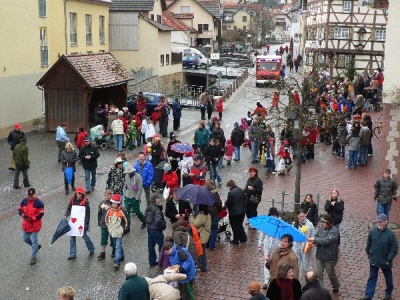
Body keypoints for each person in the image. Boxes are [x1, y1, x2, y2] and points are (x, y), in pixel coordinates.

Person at [362, 213, 398, 300]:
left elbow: (394, 249)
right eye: (378, 221)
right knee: (372, 277)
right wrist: (369, 253)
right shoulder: (372, 231)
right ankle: (368, 295)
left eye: (381, 222)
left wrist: (388, 259)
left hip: (385, 262)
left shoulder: (390, 235)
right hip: (374, 259)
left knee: (388, 279)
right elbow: (369, 244)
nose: (379, 223)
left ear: (386, 222)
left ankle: (388, 293)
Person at [307, 214, 340, 293]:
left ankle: (336, 285)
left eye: (323, 222)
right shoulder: (321, 228)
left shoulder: (334, 231)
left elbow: (326, 240)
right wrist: (315, 240)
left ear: (329, 223)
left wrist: (315, 240)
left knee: (330, 273)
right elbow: (317, 235)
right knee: (318, 274)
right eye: (321, 222)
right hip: (320, 255)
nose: (321, 224)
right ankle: (320, 290)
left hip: (330, 257)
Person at [64, 186, 95, 260]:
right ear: (76, 193)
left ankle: (91, 249)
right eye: (78, 193)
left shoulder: (85, 202)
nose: (79, 195)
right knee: (72, 237)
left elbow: (87, 214)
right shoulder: (72, 200)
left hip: (82, 223)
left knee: (85, 237)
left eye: (80, 194)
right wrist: (66, 215)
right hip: (74, 222)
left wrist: (86, 224)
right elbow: (69, 209)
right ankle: (73, 254)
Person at [18, 187, 44, 265]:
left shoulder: (39, 203)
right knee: (25, 239)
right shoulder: (24, 201)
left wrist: (32, 218)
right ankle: (35, 248)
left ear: (35, 194)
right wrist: (23, 215)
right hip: (26, 224)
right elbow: (20, 210)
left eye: (32, 195)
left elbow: (41, 214)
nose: (30, 197)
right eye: (29, 195)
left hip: (34, 225)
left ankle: (33, 257)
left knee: (34, 241)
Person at [259, 207, 281, 289]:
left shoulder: (279, 223)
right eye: (272, 215)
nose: (273, 217)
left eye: (275, 215)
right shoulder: (266, 223)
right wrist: (260, 245)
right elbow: (262, 235)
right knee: (267, 263)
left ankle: (275, 279)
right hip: (267, 246)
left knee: (275, 263)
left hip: (276, 246)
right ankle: (266, 281)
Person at [105, 194, 128, 270]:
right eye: (113, 203)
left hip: (119, 232)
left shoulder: (122, 211)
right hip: (112, 232)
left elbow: (126, 221)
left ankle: (116, 262)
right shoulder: (109, 211)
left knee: (117, 247)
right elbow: (107, 220)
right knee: (117, 245)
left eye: (115, 203)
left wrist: (123, 230)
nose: (114, 205)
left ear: (118, 204)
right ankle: (122, 255)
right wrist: (109, 228)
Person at [123, 163, 146, 231]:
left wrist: (137, 197)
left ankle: (144, 221)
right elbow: (125, 185)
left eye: (129, 172)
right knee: (127, 212)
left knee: (137, 211)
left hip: (134, 197)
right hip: (127, 196)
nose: (128, 173)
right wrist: (124, 192)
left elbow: (140, 188)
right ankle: (128, 226)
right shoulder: (126, 176)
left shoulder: (138, 177)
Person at [145, 193, 167, 267]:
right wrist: (163, 225)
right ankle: (162, 260)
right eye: (158, 198)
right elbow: (158, 221)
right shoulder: (156, 209)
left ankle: (152, 262)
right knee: (162, 245)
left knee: (151, 246)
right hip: (156, 230)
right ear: (155, 200)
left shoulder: (148, 208)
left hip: (150, 230)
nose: (159, 199)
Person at [189, 204, 211, 272]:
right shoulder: (206, 214)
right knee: (202, 250)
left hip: (201, 235)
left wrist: (191, 216)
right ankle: (201, 265)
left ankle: (202, 266)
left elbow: (195, 224)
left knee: (201, 251)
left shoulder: (202, 215)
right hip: (204, 234)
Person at [294, 209, 315, 279]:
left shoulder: (310, 224)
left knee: (306, 266)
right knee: (297, 265)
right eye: (300, 217)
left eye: (303, 216)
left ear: (305, 215)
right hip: (297, 247)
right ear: (297, 216)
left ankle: (310, 280)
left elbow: (313, 235)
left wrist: (310, 242)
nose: (302, 218)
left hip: (306, 247)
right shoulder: (294, 224)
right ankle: (298, 282)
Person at [225, 179, 247, 245]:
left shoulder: (231, 193)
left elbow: (229, 203)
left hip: (234, 213)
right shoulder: (241, 190)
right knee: (240, 224)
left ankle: (236, 239)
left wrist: (225, 204)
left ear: (229, 186)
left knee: (235, 226)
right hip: (242, 211)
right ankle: (243, 238)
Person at [96, 189, 114, 260]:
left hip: (112, 224)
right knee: (103, 238)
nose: (106, 196)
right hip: (104, 223)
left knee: (112, 238)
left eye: (108, 195)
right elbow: (99, 213)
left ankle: (114, 250)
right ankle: (103, 252)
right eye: (105, 195)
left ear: (111, 195)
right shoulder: (102, 203)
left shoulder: (114, 203)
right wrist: (99, 221)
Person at [205, 180, 223, 250]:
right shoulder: (215, 193)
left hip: (207, 215)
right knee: (214, 229)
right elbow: (219, 203)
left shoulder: (204, 193)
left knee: (207, 229)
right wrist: (219, 210)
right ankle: (211, 245)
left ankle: (207, 244)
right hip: (215, 214)